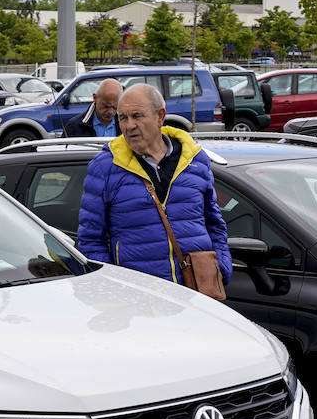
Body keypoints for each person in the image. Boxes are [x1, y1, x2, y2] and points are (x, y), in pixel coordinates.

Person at [76, 82, 231, 287]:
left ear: (160, 116)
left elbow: (214, 224)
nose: (129, 125)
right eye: (123, 118)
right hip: (139, 301)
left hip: (196, 296)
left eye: (137, 116)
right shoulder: (105, 167)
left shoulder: (195, 160)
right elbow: (90, 241)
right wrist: (115, 289)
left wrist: (221, 268)